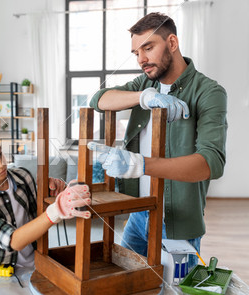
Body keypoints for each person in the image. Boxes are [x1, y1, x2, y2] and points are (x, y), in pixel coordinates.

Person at [87, 12, 227, 269]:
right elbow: (99, 99)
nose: (141, 59)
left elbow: (211, 163)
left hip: (177, 223)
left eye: (148, 48)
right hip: (140, 216)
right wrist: (143, 97)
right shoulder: (146, 82)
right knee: (126, 281)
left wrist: (141, 165)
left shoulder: (209, 92)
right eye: (136, 52)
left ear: (172, 43)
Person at [0, 127, 91, 268]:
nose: (1, 164)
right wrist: (55, 210)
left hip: (34, 262)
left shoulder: (23, 176)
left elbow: (39, 214)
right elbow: (13, 241)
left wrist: (54, 192)